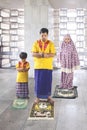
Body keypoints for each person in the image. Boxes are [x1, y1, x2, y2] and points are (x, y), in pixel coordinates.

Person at [31, 28, 56, 104]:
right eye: (42, 35)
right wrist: (42, 54)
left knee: (48, 82)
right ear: (40, 35)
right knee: (38, 83)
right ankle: (37, 98)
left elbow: (53, 54)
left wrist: (44, 55)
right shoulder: (36, 43)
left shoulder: (51, 43)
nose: (43, 37)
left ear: (47, 35)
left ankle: (48, 97)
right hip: (38, 66)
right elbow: (33, 54)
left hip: (48, 66)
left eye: (45, 35)